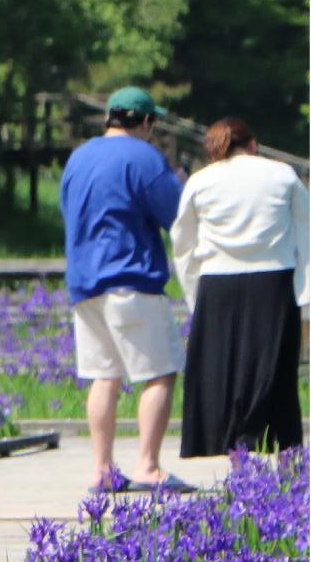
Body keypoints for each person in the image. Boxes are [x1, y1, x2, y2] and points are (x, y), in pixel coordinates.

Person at [59, 86, 188, 492]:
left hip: (84, 280)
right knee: (160, 373)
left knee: (104, 375)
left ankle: (102, 469)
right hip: (131, 277)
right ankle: (148, 465)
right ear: (146, 122)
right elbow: (176, 214)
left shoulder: (78, 157)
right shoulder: (144, 157)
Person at [170, 117, 309, 458]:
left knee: (224, 370)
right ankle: (279, 447)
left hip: (217, 285)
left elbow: (182, 241)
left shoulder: (202, 181)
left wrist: (193, 293)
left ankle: (232, 445)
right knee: (273, 370)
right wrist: (304, 292)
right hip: (273, 280)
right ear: (253, 144)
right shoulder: (281, 175)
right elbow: (306, 232)